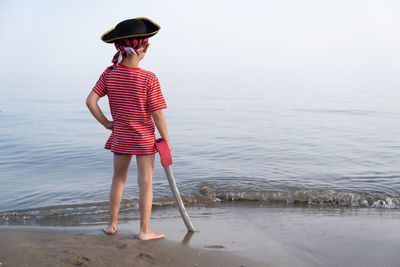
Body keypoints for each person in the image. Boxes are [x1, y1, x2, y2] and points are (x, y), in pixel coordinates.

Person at [86, 18, 170, 241]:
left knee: (118, 180)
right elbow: (157, 113)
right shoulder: (149, 78)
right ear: (145, 48)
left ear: (117, 48)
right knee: (146, 183)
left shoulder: (109, 73)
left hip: (121, 136)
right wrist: (166, 139)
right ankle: (144, 230)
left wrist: (106, 123)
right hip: (143, 138)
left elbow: (90, 101)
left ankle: (111, 225)